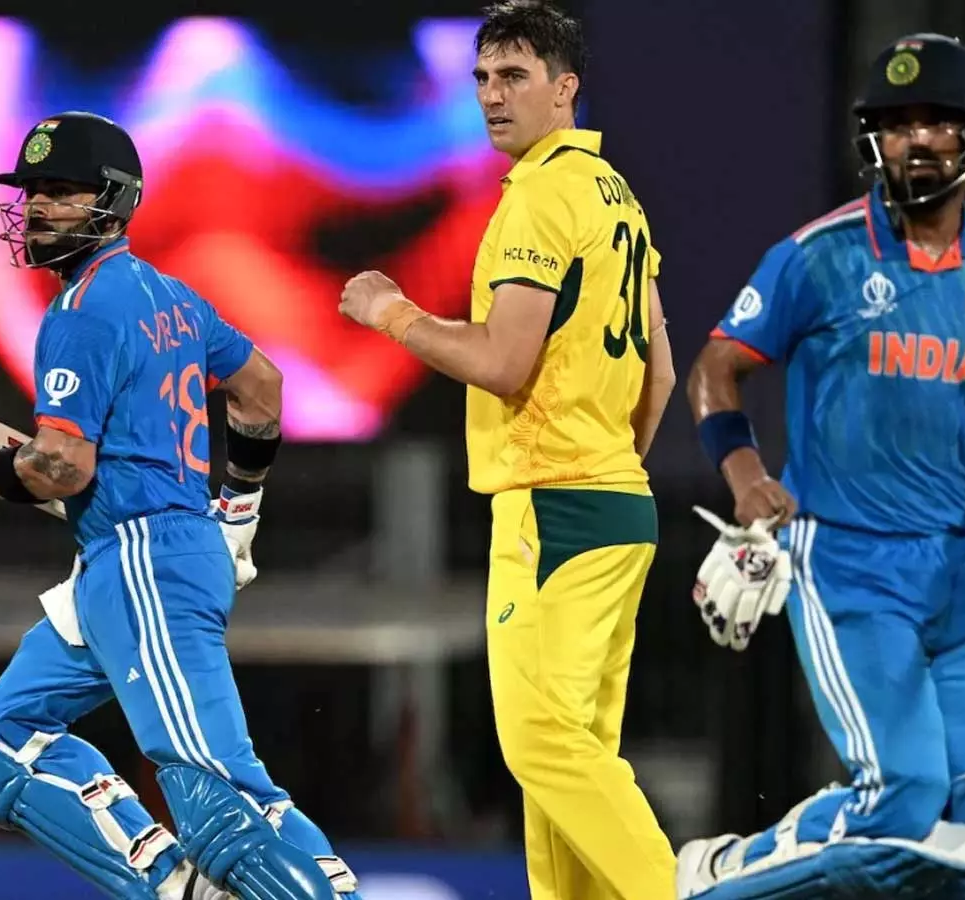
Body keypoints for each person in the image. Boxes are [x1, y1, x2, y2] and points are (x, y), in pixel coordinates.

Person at [675, 34, 965, 900]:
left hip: (956, 570)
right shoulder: (818, 256)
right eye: (895, 124)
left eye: (936, 121)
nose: (915, 139)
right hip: (847, 564)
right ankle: (722, 875)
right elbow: (714, 370)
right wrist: (747, 481)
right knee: (907, 800)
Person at [0, 110, 362, 900]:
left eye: (61, 191)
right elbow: (261, 388)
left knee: (222, 801)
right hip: (127, 559)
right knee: (0, 743)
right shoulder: (170, 297)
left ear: (114, 201)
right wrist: (239, 510)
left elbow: (60, 467)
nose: (38, 208)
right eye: (33, 192)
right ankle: (176, 888)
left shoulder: (82, 314)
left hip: (145, 561)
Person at [337, 2, 678, 897]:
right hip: (614, 502)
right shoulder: (617, 196)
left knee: (542, 744)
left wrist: (393, 314)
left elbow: (501, 362)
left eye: (515, 76)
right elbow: (663, 373)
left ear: (565, 89)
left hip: (554, 507)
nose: (492, 95)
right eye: (484, 78)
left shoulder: (539, 195)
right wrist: (611, 464)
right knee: (569, 765)